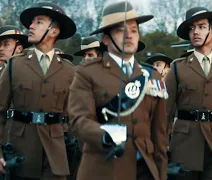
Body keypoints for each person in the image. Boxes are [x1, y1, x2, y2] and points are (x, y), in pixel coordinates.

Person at [68, 1, 167, 180]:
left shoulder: (151, 75)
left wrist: (161, 173)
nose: (129, 36)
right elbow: (79, 120)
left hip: (143, 170)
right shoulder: (87, 72)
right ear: (105, 39)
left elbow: (159, 133)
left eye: (134, 30)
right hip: (103, 167)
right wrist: (104, 135)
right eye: (121, 30)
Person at [0, 2, 76, 179]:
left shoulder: (69, 71)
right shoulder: (15, 65)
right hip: (21, 154)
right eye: (32, 22)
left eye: (39, 22)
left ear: (54, 31)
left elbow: (75, 117)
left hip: (55, 158)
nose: (31, 27)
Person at [166, 6, 212, 180]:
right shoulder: (177, 67)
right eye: (192, 28)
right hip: (184, 146)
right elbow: (164, 112)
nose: (195, 32)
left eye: (202, 27)